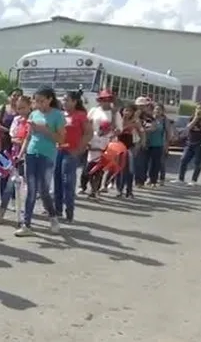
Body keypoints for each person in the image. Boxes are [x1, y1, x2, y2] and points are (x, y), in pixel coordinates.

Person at [15, 86, 65, 237]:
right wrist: (21, 154)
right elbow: (28, 137)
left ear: (50, 100)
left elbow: (61, 139)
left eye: (42, 101)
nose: (39, 104)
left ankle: (53, 217)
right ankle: (26, 224)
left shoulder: (58, 115)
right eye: (36, 101)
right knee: (31, 189)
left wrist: (46, 130)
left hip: (47, 154)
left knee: (43, 190)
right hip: (31, 152)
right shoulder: (34, 114)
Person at [0, 95, 32, 223]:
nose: (20, 111)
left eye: (23, 108)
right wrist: (18, 140)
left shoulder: (32, 120)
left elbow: (29, 138)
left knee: (27, 186)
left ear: (29, 106)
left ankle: (24, 216)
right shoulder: (17, 120)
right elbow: (12, 136)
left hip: (28, 155)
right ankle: (2, 212)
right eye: (18, 108)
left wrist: (22, 141)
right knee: (9, 183)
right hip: (14, 154)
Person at [53, 90, 90, 221]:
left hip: (71, 152)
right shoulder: (60, 114)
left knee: (67, 181)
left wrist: (80, 149)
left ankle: (69, 212)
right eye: (63, 100)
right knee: (57, 180)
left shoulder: (81, 115)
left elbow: (88, 133)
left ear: (74, 102)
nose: (64, 102)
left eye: (67, 100)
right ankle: (57, 210)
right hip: (58, 150)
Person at [85, 90, 122, 194]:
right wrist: (87, 139)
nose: (105, 101)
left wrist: (110, 134)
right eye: (103, 99)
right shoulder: (94, 111)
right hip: (94, 141)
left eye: (108, 99)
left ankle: (95, 190)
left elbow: (119, 129)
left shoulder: (115, 113)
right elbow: (87, 125)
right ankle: (87, 186)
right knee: (90, 167)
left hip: (108, 142)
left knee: (100, 169)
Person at [175, 102, 201, 186]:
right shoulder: (192, 118)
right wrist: (196, 119)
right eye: (197, 108)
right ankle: (180, 179)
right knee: (183, 160)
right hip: (190, 142)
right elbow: (188, 127)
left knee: (198, 162)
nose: (199, 110)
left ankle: (194, 180)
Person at [116, 104, 141, 198]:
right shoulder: (119, 120)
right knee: (119, 169)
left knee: (130, 170)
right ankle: (119, 190)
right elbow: (119, 130)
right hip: (119, 147)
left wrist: (140, 144)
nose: (127, 113)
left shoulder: (136, 121)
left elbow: (141, 132)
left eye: (130, 111)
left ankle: (129, 190)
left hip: (131, 147)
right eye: (125, 110)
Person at [144, 104, 168, 187]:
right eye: (156, 109)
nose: (157, 111)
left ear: (162, 111)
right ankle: (148, 178)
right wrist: (149, 129)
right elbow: (143, 129)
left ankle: (154, 180)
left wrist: (166, 145)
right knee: (147, 163)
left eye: (159, 110)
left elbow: (167, 133)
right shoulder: (149, 119)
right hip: (147, 143)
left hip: (158, 144)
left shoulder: (164, 120)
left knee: (156, 163)